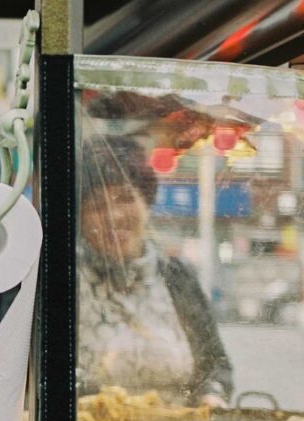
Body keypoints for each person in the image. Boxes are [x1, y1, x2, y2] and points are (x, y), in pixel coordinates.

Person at [78, 135, 233, 404]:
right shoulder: (61, 279)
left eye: (125, 198)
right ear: (79, 217)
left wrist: (212, 397)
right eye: (97, 206)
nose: (114, 216)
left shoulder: (177, 277)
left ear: (146, 202)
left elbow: (215, 368)